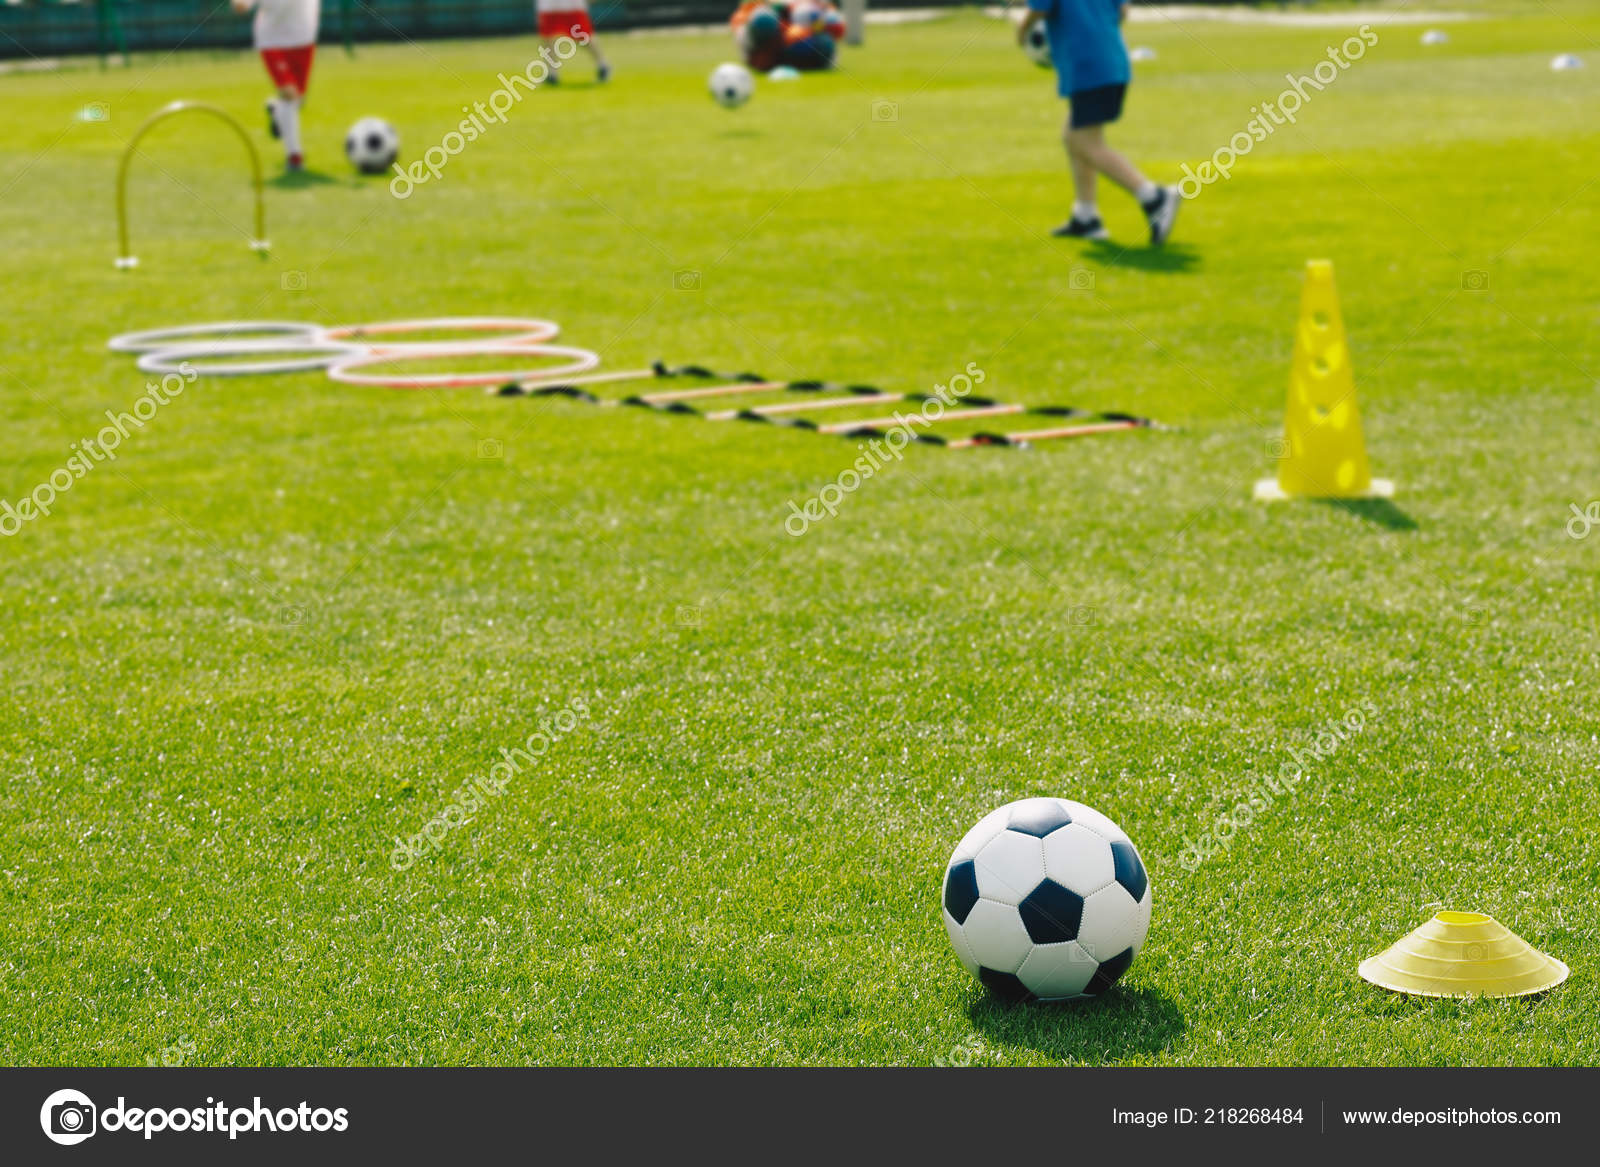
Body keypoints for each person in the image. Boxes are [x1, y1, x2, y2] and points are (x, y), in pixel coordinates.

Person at [1017, 0, 1179, 245]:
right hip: (1111, 63)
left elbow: (1039, 9)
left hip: (1088, 68)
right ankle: (1086, 217)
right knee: (1074, 137)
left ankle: (1154, 197)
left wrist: (1022, 31)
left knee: (1084, 143)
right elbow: (1123, 11)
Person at [231, 0, 319, 172]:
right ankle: (295, 156)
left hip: (304, 39)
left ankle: (277, 111)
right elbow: (241, 6)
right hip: (272, 41)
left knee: (297, 102)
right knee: (289, 95)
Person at [537, 0, 611, 84]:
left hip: (572, 5)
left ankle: (603, 64)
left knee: (583, 36)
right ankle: (551, 73)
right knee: (547, 37)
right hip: (548, 5)